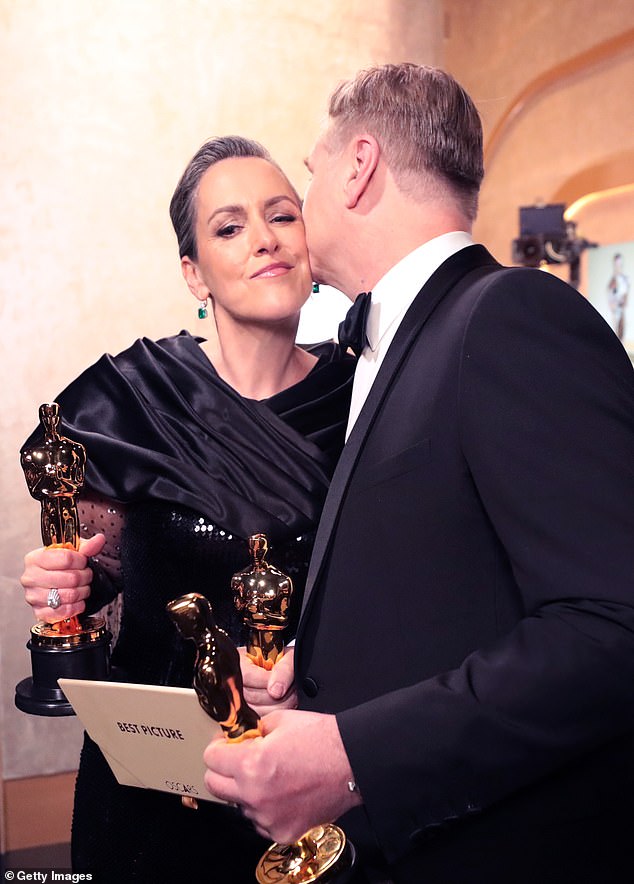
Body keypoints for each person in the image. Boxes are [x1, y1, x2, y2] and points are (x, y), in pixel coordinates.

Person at [202, 64, 634, 883]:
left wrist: (354, 754)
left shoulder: (512, 315)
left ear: (359, 166)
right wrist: (323, 666)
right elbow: (449, 584)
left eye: (312, 167)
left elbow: (613, 624)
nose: (307, 192)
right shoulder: (391, 346)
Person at [19, 135, 355, 882]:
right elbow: (98, 586)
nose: (265, 239)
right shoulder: (138, 398)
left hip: (309, 785)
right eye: (230, 227)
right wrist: (62, 584)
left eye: (284, 216)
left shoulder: (366, 395)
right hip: (156, 791)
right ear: (193, 272)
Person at [607, 251, 629, 340]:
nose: (618, 265)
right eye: (617, 263)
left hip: (621, 306)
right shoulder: (613, 280)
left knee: (621, 327)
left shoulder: (624, 279)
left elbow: (626, 293)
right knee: (615, 326)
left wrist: (624, 301)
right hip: (615, 307)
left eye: (620, 262)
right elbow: (610, 292)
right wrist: (612, 304)